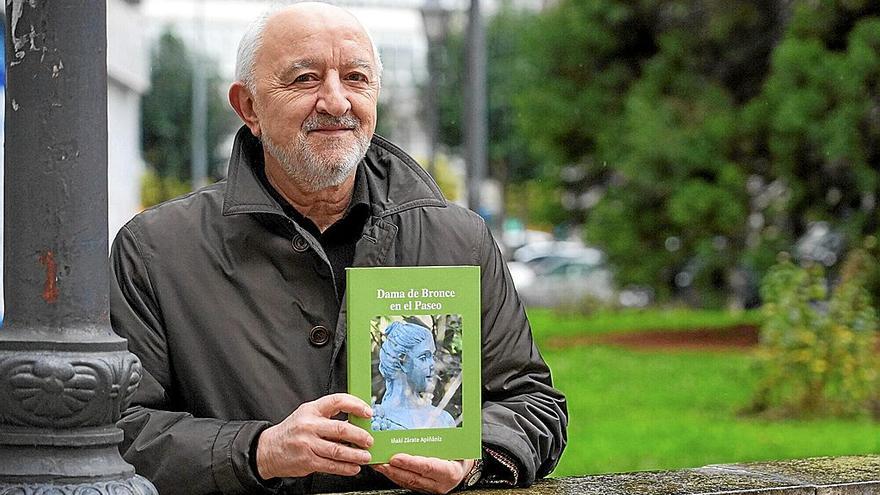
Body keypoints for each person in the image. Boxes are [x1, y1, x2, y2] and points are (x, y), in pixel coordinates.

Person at [110, 3, 567, 494]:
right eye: (305, 79)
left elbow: (532, 403)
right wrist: (258, 451)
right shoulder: (156, 252)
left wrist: (474, 457)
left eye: (355, 78)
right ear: (249, 107)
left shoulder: (458, 239)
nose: (336, 100)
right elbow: (119, 430)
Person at [372, 321, 455, 430]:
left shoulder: (444, 419)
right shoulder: (375, 420)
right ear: (402, 361)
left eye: (432, 356)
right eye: (423, 357)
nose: (433, 365)